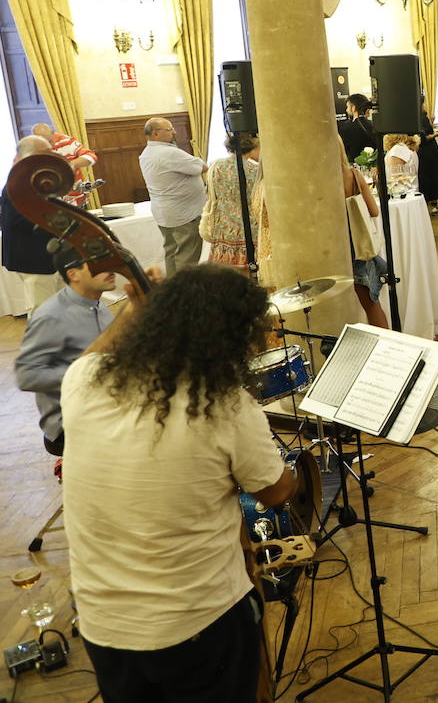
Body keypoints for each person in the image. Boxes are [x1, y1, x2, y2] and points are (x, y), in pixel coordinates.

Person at [61, 264, 295, 701]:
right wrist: (293, 472)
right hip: (197, 625)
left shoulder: (83, 383)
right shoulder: (226, 405)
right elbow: (276, 491)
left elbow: (91, 356)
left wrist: (136, 309)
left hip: (103, 626)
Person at [15, 242, 117, 456]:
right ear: (73, 274)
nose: (110, 269)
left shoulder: (100, 305)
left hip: (100, 404)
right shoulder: (51, 316)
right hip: (69, 421)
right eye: (98, 265)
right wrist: (88, 372)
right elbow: (27, 376)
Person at [138, 117, 206, 277]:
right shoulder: (168, 152)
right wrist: (198, 161)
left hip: (165, 212)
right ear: (155, 134)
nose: (174, 132)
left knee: (171, 251)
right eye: (169, 130)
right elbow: (201, 167)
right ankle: (185, 294)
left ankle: (172, 290)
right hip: (183, 214)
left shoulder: (147, 153)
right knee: (187, 256)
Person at [2, 134, 62, 311]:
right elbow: (19, 221)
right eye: (44, 153)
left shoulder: (35, 181)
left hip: (46, 256)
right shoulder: (19, 183)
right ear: (24, 157)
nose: (49, 157)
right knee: (43, 312)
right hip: (33, 257)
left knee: (57, 309)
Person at [339, 137, 389, 328]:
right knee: (371, 304)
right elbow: (374, 211)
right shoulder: (353, 175)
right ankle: (387, 349)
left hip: (334, 248)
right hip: (358, 246)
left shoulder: (318, 180)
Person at [200, 132, 261, 269]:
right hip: (250, 228)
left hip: (223, 228)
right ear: (253, 147)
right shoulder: (255, 171)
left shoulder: (216, 166)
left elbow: (210, 193)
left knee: (225, 274)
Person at [416, 98, 438, 215]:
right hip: (428, 151)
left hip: (425, 152)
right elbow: (423, 137)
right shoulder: (421, 118)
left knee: (428, 177)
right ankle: (433, 206)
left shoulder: (419, 117)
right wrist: (433, 135)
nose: (425, 105)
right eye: (424, 103)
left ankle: (430, 205)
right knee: (432, 177)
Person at [338, 93, 377, 163]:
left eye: (347, 107)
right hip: (374, 165)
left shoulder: (345, 128)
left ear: (353, 108)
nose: (346, 110)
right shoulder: (375, 125)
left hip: (353, 166)